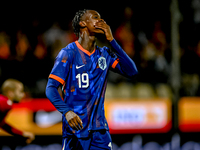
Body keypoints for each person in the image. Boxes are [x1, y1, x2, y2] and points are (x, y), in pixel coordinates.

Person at [46, 9, 138, 150]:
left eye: (101, 18)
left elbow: (132, 71)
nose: (100, 21)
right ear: (82, 23)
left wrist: (112, 41)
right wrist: (67, 111)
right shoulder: (68, 53)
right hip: (75, 129)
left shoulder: (104, 54)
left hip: (100, 131)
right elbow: (51, 88)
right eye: (95, 17)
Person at [0, 79, 35, 144]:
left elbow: (2, 124)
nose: (23, 94)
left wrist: (22, 133)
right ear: (10, 93)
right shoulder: (5, 103)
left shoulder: (5, 103)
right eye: (20, 91)